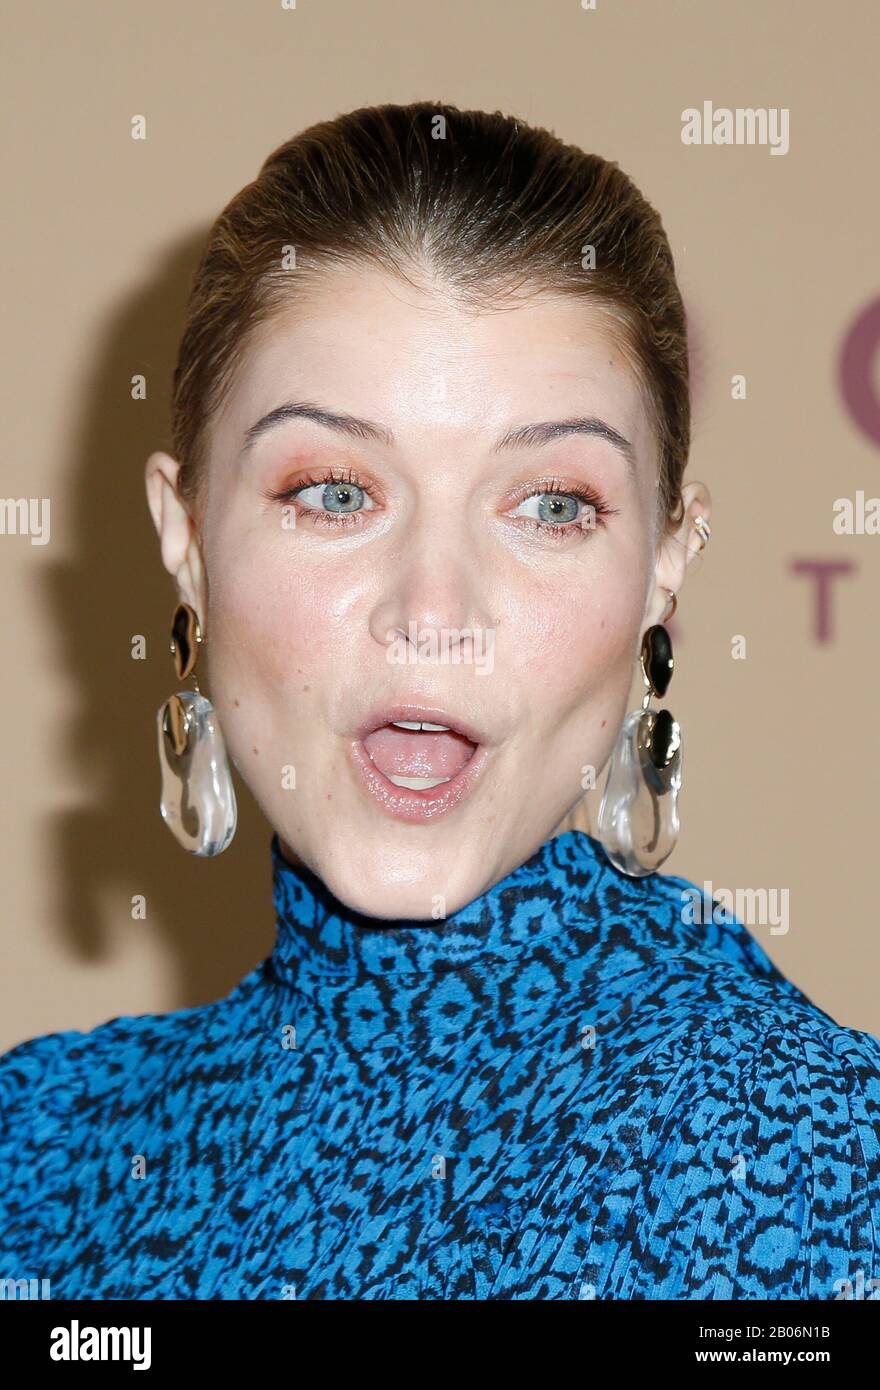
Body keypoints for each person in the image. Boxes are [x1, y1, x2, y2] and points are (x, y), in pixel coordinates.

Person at [1, 101, 878, 1300]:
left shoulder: (792, 1156)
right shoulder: (37, 1151)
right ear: (187, 532)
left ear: (668, 558)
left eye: (552, 503)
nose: (432, 607)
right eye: (333, 491)